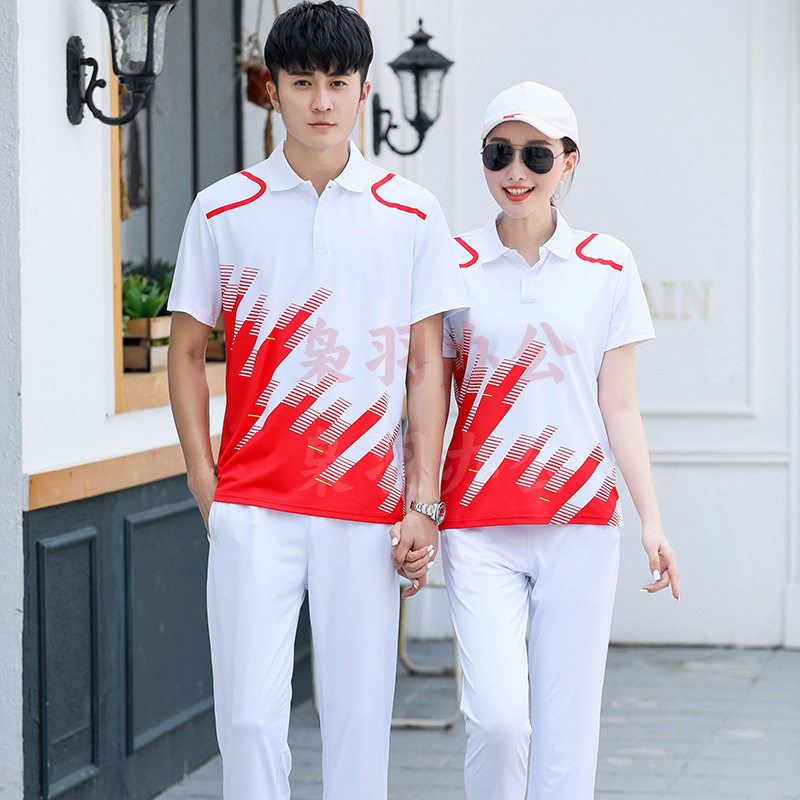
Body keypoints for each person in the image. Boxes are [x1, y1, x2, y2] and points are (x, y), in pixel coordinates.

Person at [167, 3, 465, 798]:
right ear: (272, 91)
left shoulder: (412, 213)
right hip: (251, 504)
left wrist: (422, 502)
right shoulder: (221, 209)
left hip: (365, 507)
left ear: (365, 90)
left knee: (358, 725)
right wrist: (204, 480)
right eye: (303, 82)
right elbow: (187, 352)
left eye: (338, 82)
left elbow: (426, 366)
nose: (322, 101)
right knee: (248, 722)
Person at [436, 81, 679, 799]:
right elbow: (428, 400)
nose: (516, 171)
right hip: (476, 523)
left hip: (579, 523)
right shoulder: (450, 262)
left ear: (569, 161)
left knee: (567, 733)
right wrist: (412, 504)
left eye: (536, 155)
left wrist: (652, 520)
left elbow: (620, 404)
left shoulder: (608, 265)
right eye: (499, 154)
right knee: (498, 721)